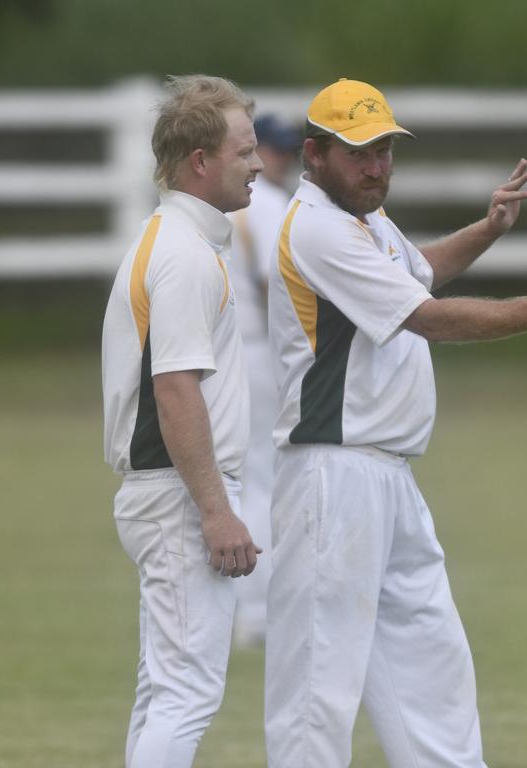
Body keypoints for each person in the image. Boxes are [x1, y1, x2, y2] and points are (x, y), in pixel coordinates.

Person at [263, 78, 527, 768]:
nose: (376, 167)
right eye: (358, 153)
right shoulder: (316, 227)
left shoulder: (365, 219)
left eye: (383, 151)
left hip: (389, 477)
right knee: (316, 695)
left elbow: (418, 274)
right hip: (331, 477)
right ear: (313, 156)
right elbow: (424, 317)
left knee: (432, 669)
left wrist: (486, 229)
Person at [101, 74, 264, 768]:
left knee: (163, 693)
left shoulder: (172, 239)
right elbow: (175, 391)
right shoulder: (184, 255)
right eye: (245, 151)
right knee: (186, 695)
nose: (258, 164)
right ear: (201, 161)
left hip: (164, 491)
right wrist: (216, 511)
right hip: (176, 495)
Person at [226, 114, 302, 648]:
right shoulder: (272, 207)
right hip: (260, 350)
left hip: (220, 353)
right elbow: (278, 287)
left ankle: (248, 609)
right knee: (265, 479)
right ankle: (259, 612)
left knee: (244, 475)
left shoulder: (214, 207)